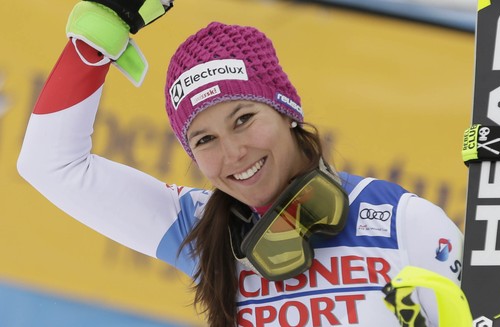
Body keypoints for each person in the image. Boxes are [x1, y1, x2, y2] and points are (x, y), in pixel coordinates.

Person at [17, 1, 464, 326]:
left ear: (287, 110)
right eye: (205, 139)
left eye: (244, 119)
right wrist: (100, 30)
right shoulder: (201, 232)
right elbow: (50, 164)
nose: (233, 155)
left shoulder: (403, 224)